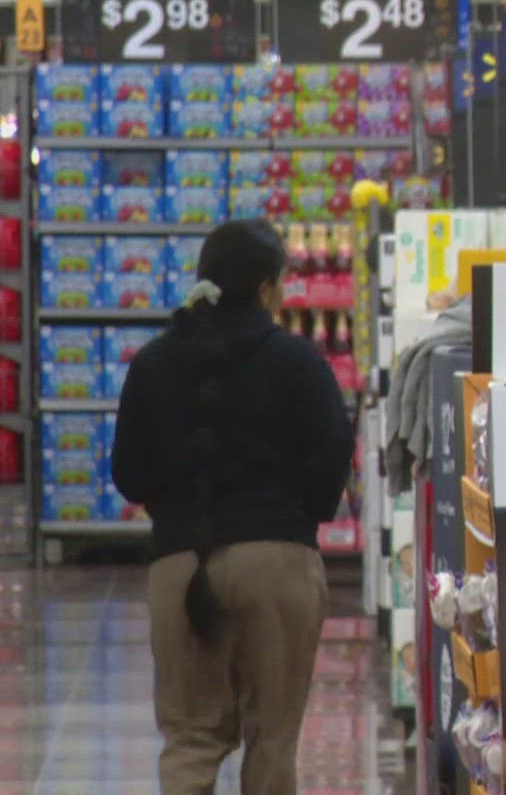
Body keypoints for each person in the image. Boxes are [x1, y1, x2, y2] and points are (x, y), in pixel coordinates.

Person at [111, 219, 355, 794]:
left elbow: (128, 474)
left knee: (190, 743)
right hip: (277, 566)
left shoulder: (150, 364)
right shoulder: (300, 365)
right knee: (272, 741)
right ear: (269, 289)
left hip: (179, 566)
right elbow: (329, 473)